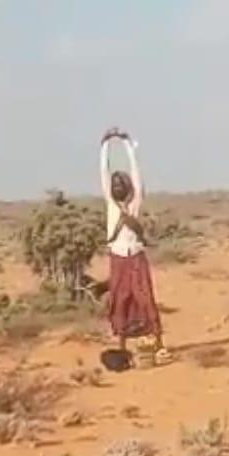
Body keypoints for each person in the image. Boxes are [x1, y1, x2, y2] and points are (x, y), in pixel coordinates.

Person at [100, 127, 171, 364]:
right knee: (120, 299)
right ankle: (121, 344)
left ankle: (158, 342)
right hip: (118, 257)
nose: (117, 186)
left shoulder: (135, 203)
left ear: (128, 186)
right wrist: (106, 145)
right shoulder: (111, 204)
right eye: (115, 184)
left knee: (144, 298)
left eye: (121, 183)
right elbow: (104, 172)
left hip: (136, 257)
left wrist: (128, 145)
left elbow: (136, 173)